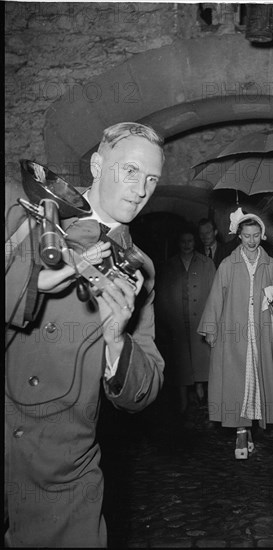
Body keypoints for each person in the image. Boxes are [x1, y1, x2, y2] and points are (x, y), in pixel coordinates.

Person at [5, 122, 166, 547]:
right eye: (130, 171)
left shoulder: (141, 269)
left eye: (152, 179)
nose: (141, 189)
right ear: (97, 165)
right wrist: (31, 286)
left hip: (64, 458)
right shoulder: (24, 217)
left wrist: (117, 342)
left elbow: (146, 387)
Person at [198, 207, 273, 459]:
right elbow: (216, 297)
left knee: (255, 382)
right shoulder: (228, 264)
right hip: (232, 333)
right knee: (236, 382)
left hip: (260, 333)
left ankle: (248, 427)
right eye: (247, 235)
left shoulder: (270, 264)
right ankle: (240, 430)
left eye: (256, 235)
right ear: (239, 236)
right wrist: (211, 328)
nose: (251, 240)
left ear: (262, 235)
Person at [155, 227, 215, 421]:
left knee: (201, 358)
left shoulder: (206, 263)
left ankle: (201, 393)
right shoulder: (169, 265)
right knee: (180, 362)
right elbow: (162, 295)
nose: (187, 245)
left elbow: (215, 292)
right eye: (183, 242)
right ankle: (182, 401)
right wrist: (167, 319)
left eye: (190, 241)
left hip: (200, 320)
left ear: (194, 242)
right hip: (178, 320)